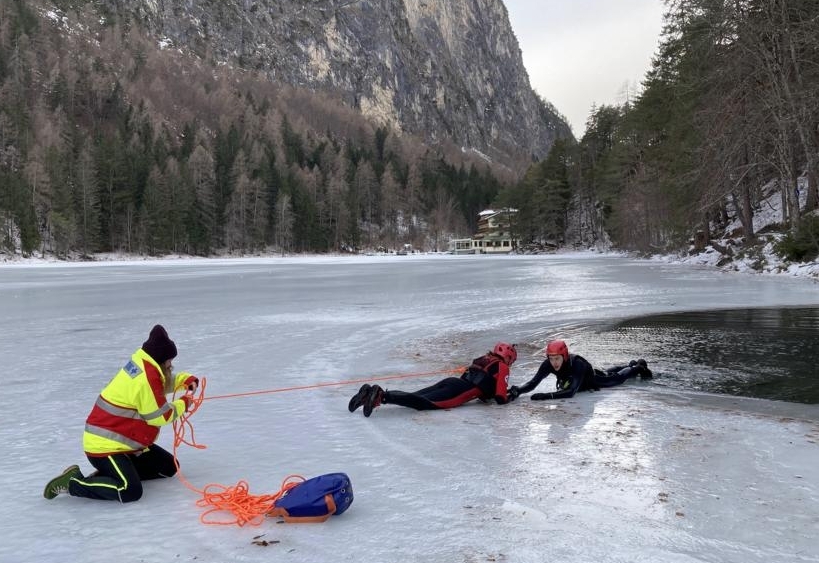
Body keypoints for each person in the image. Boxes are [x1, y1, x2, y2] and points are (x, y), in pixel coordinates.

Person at [43, 325, 199, 503]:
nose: (171, 364)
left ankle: (110, 476)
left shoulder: (146, 366)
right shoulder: (145, 378)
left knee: (169, 468)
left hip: (125, 443)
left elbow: (160, 383)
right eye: (169, 360)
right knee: (130, 491)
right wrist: (184, 403)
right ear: (161, 359)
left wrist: (184, 381)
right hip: (104, 446)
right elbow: (160, 416)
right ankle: (73, 483)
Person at [348, 342, 518, 417]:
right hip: (458, 390)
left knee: (414, 396)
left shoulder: (485, 358)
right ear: (509, 357)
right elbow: (500, 397)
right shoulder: (503, 367)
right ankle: (381, 395)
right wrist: (512, 396)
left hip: (452, 382)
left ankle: (369, 394)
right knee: (422, 403)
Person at [509, 339, 652, 401]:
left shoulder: (577, 364)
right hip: (583, 376)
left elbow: (571, 392)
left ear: (564, 356)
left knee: (615, 379)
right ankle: (630, 364)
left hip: (591, 379)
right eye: (551, 359)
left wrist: (547, 396)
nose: (554, 363)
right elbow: (533, 383)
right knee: (607, 372)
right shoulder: (548, 364)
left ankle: (637, 367)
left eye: (557, 359)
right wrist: (518, 391)